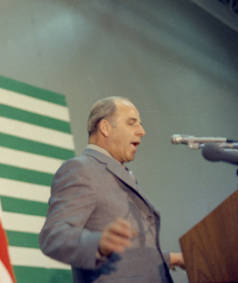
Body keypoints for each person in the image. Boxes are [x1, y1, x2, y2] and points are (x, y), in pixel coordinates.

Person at [39, 96, 185, 282]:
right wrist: (97, 243)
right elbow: (53, 236)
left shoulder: (122, 174)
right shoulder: (81, 169)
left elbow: (127, 257)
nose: (142, 131)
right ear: (105, 128)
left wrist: (173, 259)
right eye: (132, 123)